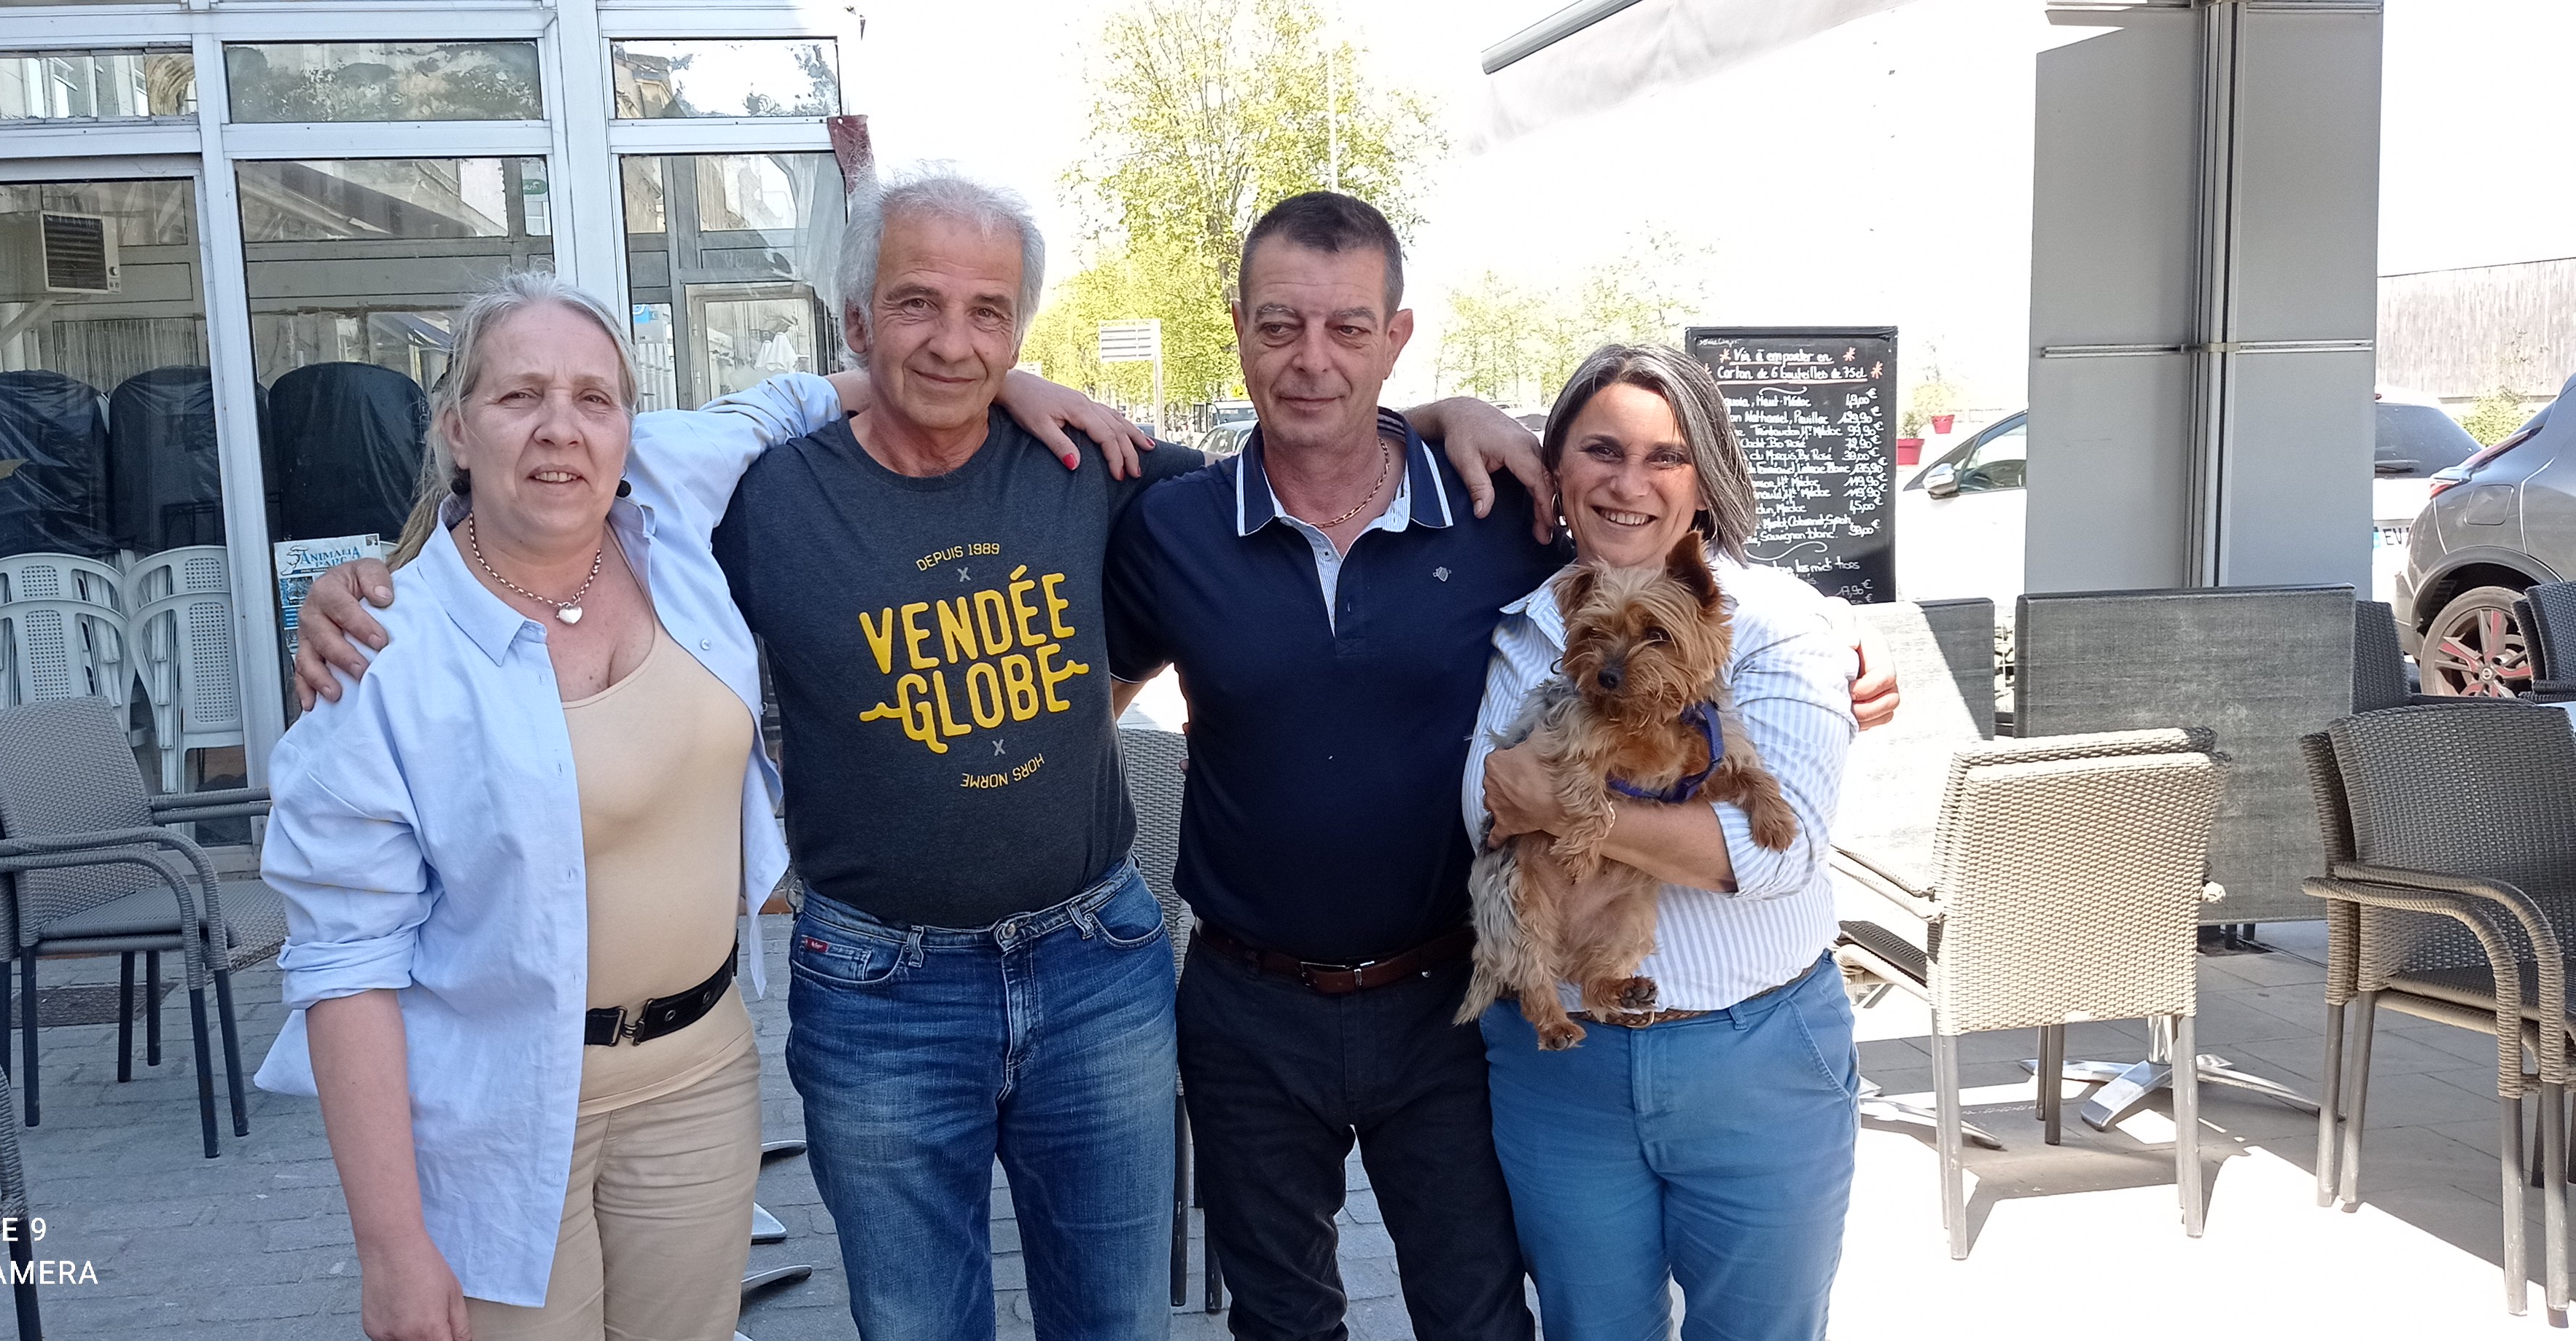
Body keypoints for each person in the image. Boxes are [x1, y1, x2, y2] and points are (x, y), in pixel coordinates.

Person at [285, 170, 1543, 1341]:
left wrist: (1441, 417)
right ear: (855, 323)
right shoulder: (757, 501)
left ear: (1019, 334)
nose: (952, 341)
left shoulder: (1094, 471)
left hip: (1097, 970)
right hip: (876, 992)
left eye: (988, 313)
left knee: (1117, 1320)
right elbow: (556, 503)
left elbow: (1299, 455)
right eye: (916, 304)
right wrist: (384, 578)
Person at [253, 270, 1133, 1341]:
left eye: (594, 398)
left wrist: (1003, 386)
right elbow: (345, 964)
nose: (560, 429)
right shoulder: (381, 655)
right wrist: (392, 1246)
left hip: (701, 1078)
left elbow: (805, 397)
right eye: (519, 396)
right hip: (497, 1104)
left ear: (631, 424)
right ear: (455, 428)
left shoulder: (664, 502)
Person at [1103, 194, 1899, 1341]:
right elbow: (1089, 693)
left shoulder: (1496, 525)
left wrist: (1830, 638)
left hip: (1451, 1000)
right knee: (1282, 1320)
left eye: (1349, 328)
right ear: (1238, 328)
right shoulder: (1182, 529)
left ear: (1397, 336)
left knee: (1479, 1318)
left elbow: (1686, 572)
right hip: (1253, 1003)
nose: (1313, 359)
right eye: (1280, 325)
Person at [1464, 343, 1862, 1341]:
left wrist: (1567, 809)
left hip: (1755, 1058)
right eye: (1601, 450)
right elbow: (1484, 813)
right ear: (1555, 465)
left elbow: (1772, 854)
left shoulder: (1778, 624)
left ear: (1707, 474)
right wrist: (1443, 411)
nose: (1629, 483)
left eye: (1666, 457)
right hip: (1562, 1071)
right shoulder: (1508, 620)